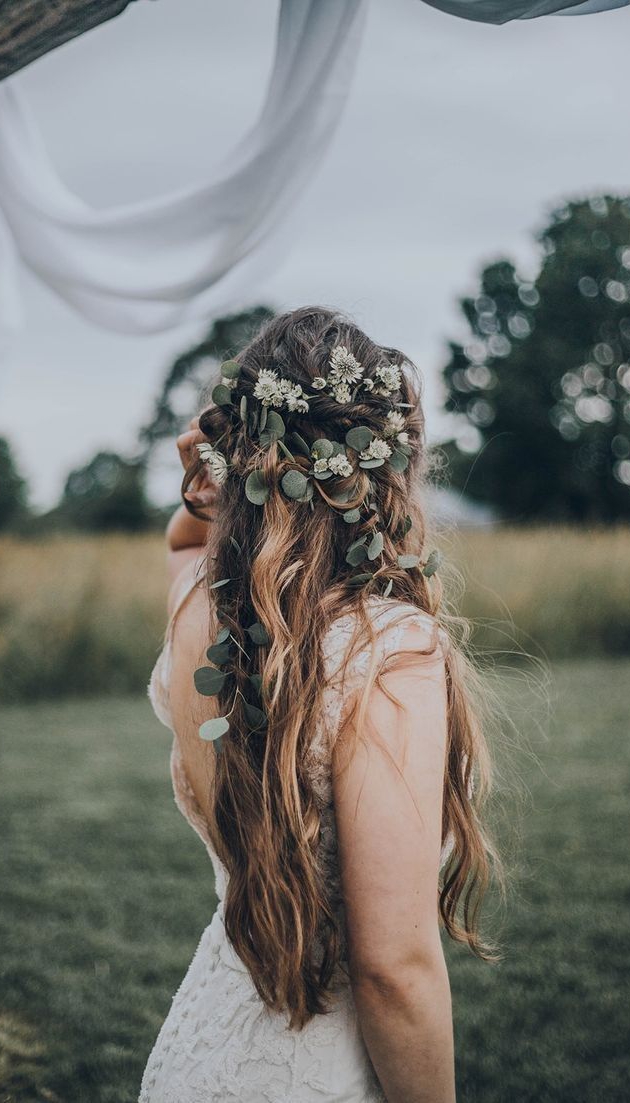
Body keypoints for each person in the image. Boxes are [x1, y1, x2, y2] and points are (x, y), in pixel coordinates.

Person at [139, 307, 496, 1103]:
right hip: (318, 1076)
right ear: (379, 463)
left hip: (201, 1053)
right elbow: (392, 968)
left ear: (247, 459)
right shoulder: (387, 651)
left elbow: (187, 543)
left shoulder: (202, 612)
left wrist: (206, 459)